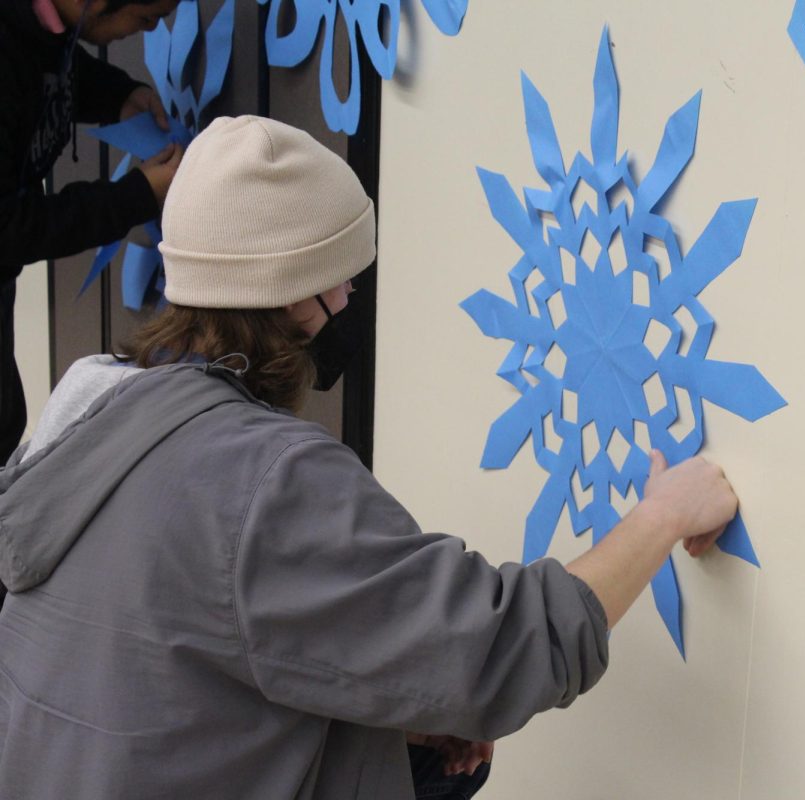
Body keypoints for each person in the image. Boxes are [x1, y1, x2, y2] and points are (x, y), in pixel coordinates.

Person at [0, 116, 740, 800]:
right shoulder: (264, 483)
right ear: (297, 292)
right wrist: (664, 515)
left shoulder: (90, 422)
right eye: (346, 275)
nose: (353, 294)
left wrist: (393, 706)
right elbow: (504, 647)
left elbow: (174, 684)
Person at [0, 0, 182, 464]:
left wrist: (117, 95)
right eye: (144, 18)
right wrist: (137, 196)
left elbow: (46, 64)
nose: (148, 30)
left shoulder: (42, 26)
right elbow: (9, 227)